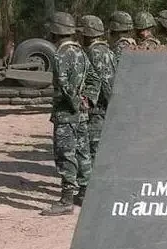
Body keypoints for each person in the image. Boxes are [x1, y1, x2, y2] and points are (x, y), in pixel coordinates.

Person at [41, 12, 98, 216]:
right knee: (83, 153)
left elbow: (64, 85)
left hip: (66, 115)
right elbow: (94, 78)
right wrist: (87, 100)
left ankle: (66, 200)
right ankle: (85, 193)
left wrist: (75, 103)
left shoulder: (60, 54)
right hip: (81, 115)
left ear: (55, 32)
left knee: (65, 155)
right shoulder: (80, 51)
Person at [80, 15, 115, 184]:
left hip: (98, 109)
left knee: (93, 150)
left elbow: (104, 81)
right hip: (103, 107)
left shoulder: (94, 52)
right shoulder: (107, 50)